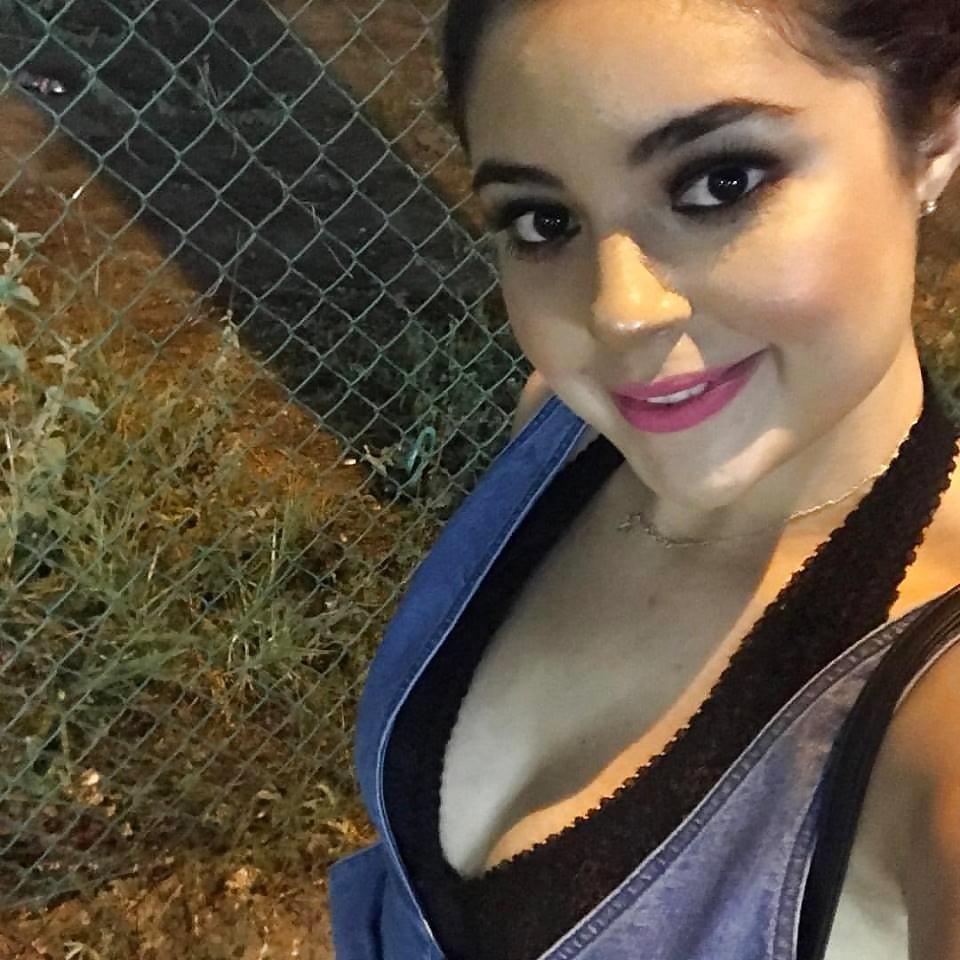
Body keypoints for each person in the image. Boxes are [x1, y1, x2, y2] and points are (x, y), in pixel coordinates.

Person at [327, 0, 960, 957]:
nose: (619, 313)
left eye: (720, 182)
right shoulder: (564, 429)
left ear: (935, 136)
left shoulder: (933, 701)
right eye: (544, 220)